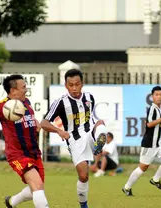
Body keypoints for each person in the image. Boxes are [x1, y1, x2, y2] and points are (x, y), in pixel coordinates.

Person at [0, 74, 49, 208]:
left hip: (34, 152)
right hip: (18, 154)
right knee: (38, 186)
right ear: (13, 91)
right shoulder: (2, 107)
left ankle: (11, 202)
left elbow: (30, 123)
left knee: (36, 189)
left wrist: (36, 125)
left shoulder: (26, 102)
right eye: (23, 87)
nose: (26, 89)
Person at [40, 69, 108, 208]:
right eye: (71, 85)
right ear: (66, 85)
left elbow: (91, 117)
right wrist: (59, 131)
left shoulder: (89, 97)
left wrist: (96, 129)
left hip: (90, 132)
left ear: (82, 84)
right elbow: (44, 123)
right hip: (75, 139)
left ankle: (98, 143)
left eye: (77, 84)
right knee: (84, 176)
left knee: (100, 123)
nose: (74, 88)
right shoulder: (60, 102)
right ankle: (83, 205)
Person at [122, 86, 161, 196]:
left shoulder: (158, 109)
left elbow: (154, 124)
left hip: (158, 143)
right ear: (152, 97)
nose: (159, 97)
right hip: (149, 144)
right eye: (156, 95)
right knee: (142, 168)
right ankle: (127, 187)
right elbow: (149, 124)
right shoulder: (152, 108)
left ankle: (155, 179)